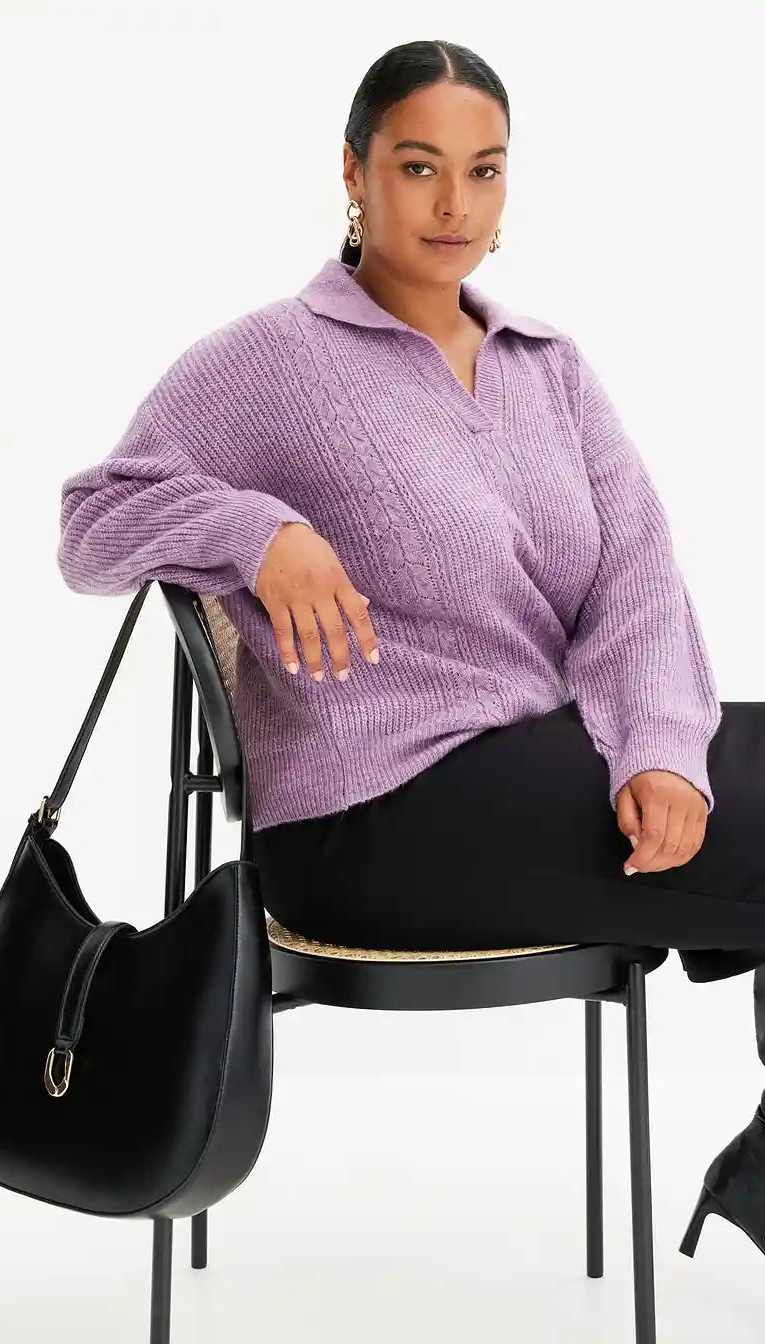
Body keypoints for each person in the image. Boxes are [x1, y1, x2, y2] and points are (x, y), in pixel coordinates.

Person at [56, 39, 764, 1259]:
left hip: (539, 776)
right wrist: (257, 532)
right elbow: (92, 525)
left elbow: (638, 581)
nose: (454, 205)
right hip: (369, 820)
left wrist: (660, 749)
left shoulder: (549, 367)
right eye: (419, 166)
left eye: (484, 171)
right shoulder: (271, 360)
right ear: (355, 172)